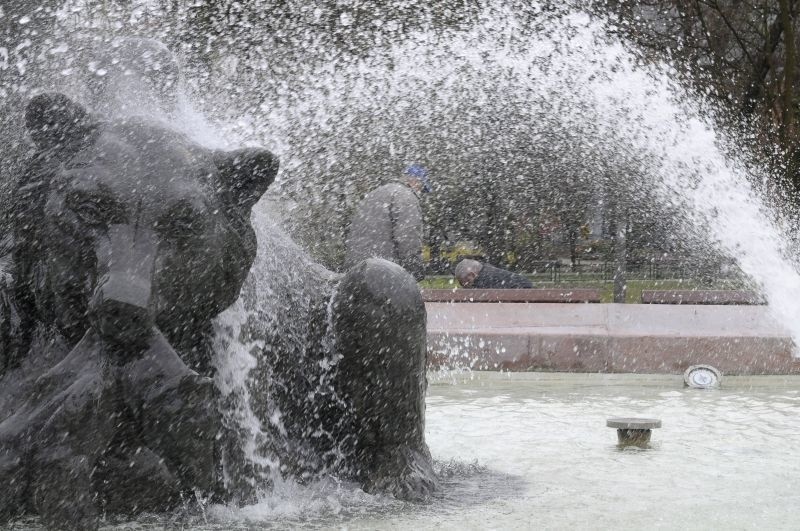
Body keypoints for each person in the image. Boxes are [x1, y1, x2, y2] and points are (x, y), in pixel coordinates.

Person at [344, 164, 432, 280]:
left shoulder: (375, 193)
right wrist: (414, 267)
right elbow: (408, 236)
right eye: (421, 188)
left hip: (354, 266)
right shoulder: (406, 197)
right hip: (381, 270)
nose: (420, 192)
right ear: (415, 181)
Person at [454, 258, 533, 289]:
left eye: (462, 282)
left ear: (472, 275)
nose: (463, 286)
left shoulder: (483, 281)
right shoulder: (489, 271)